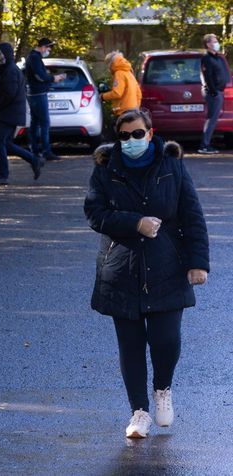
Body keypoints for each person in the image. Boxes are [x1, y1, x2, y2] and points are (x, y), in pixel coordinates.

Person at [84, 109, 209, 439]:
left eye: (137, 134)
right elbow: (95, 213)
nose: (131, 141)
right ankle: (139, 412)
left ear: (150, 134)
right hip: (120, 268)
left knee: (166, 340)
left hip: (167, 264)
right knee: (131, 343)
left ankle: (163, 390)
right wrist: (134, 223)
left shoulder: (172, 165)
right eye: (124, 136)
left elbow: (192, 215)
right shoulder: (105, 169)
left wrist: (198, 263)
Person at [0, 42, 43, 186]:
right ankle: (34, 160)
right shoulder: (9, 69)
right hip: (12, 112)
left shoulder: (10, 71)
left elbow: (9, 93)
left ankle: (3, 174)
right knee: (6, 143)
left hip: (9, 113)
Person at [25, 38, 66, 162]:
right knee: (44, 123)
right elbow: (40, 76)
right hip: (38, 94)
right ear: (43, 47)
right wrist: (54, 78)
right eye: (49, 48)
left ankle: (35, 150)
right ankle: (46, 152)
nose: (49, 50)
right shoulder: (35, 58)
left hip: (35, 93)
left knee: (35, 122)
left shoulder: (33, 57)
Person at [198, 33, 230, 154]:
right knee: (211, 119)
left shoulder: (218, 57)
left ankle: (206, 144)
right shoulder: (206, 58)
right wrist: (213, 92)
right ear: (208, 44)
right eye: (214, 41)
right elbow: (207, 76)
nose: (217, 43)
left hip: (219, 91)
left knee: (212, 119)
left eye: (216, 40)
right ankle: (204, 146)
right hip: (214, 92)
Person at [101, 51, 142, 116]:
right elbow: (139, 94)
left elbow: (117, 93)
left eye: (107, 64)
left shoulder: (119, 74)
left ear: (111, 63)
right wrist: (136, 108)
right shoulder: (129, 73)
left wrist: (102, 96)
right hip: (133, 111)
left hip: (123, 111)